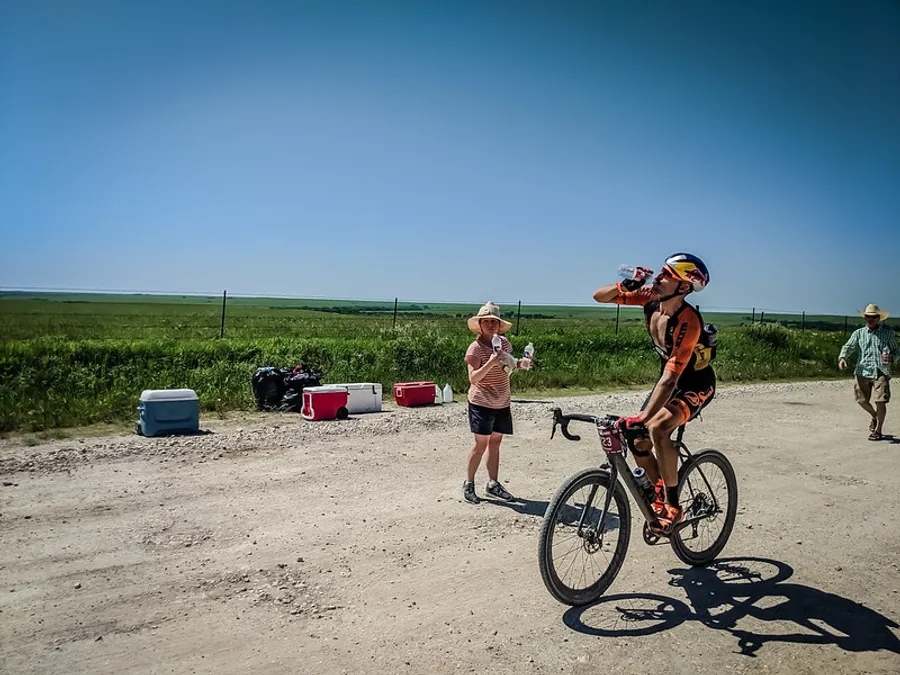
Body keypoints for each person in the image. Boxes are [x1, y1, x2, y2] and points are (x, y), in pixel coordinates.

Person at [592, 253, 714, 534]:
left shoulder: (689, 321)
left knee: (657, 428)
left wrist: (644, 417)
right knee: (637, 439)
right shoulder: (649, 298)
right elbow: (599, 297)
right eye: (660, 272)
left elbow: (671, 379)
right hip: (668, 381)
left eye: (666, 276)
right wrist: (626, 286)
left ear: (683, 287)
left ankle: (674, 506)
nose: (658, 278)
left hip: (694, 383)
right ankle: (659, 494)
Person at [462, 301, 532, 504]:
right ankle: (469, 483)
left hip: (501, 401)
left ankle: (493, 483)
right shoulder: (475, 349)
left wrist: (520, 364)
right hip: (481, 401)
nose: (491, 325)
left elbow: (507, 368)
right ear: (480, 324)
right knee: (481, 443)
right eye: (487, 322)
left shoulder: (504, 344)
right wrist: (491, 361)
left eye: (494, 322)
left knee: (495, 443)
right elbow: (473, 378)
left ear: (499, 325)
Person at [838, 304, 897, 441]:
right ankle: (874, 416)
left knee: (880, 400)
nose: (870, 319)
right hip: (862, 371)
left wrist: (891, 358)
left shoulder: (887, 333)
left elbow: (896, 351)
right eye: (868, 317)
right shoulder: (858, 333)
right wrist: (843, 358)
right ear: (865, 317)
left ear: (878, 318)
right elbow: (849, 346)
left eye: (873, 317)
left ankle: (878, 431)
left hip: (880, 371)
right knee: (861, 400)